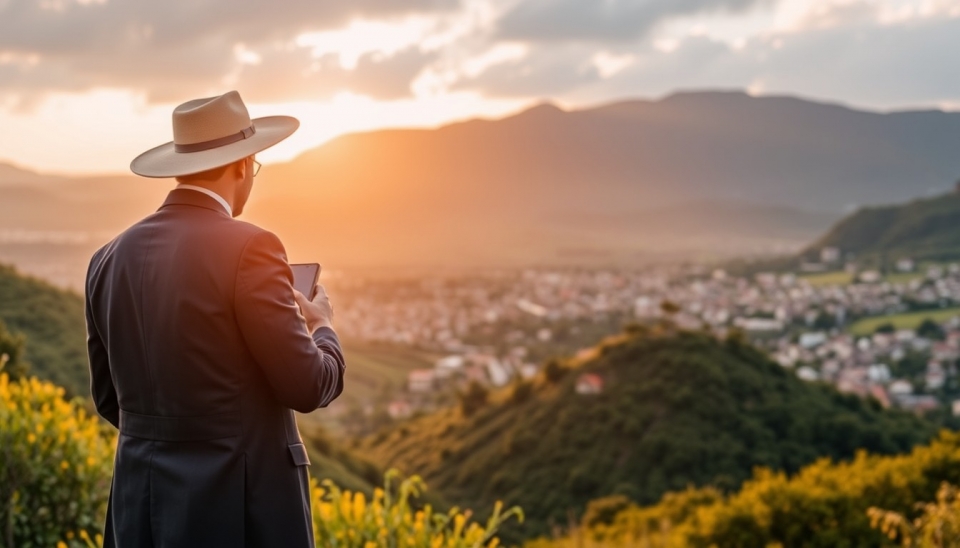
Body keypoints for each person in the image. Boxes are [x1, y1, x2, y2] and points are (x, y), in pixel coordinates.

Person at [84, 90, 345, 547]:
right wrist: (322, 328)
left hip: (138, 509)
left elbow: (110, 400)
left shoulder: (106, 258)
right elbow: (307, 386)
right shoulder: (251, 248)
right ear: (243, 165)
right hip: (239, 511)